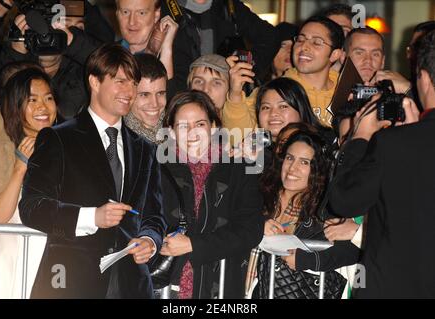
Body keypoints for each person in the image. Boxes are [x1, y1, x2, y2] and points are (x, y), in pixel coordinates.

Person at [19, 43, 166, 298]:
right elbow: (32, 207)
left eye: (133, 83)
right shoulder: (58, 139)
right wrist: (90, 217)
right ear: (94, 82)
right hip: (69, 281)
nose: (129, 91)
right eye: (120, 81)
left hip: (131, 285)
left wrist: (150, 241)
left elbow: (154, 215)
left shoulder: (144, 149)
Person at [328, 31, 435, 298]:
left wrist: (361, 137)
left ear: (422, 76)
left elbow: (343, 200)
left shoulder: (393, 144)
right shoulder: (401, 143)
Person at [158, 90, 264, 298]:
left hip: (220, 287)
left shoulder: (237, 168)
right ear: (170, 132)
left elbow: (250, 229)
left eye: (200, 124)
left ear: (214, 127)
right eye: (182, 126)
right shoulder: (158, 169)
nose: (192, 133)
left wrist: (193, 245)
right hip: (164, 285)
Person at [251, 130, 359, 299]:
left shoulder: (326, 207)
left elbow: (352, 251)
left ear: (317, 169)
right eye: (289, 158)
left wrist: (308, 260)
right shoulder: (262, 197)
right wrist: (259, 223)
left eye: (304, 162)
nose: (292, 168)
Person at [0, 68, 57, 298]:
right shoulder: (7, 149)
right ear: (16, 107)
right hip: (15, 260)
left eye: (48, 98)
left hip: (58, 264)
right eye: (32, 100)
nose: (43, 107)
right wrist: (20, 167)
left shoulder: (70, 146)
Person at [161, 0, 281, 97]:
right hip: (179, 98)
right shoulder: (162, 8)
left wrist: (245, 67)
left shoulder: (229, 6)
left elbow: (271, 38)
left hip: (225, 102)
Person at [285, 16, 344, 127]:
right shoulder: (277, 92)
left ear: (334, 54)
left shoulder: (346, 94)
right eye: (300, 40)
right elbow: (250, 137)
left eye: (316, 42)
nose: (304, 47)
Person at [124, 53, 167, 144]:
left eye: (160, 93)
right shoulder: (118, 139)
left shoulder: (179, 128)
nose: (155, 104)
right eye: (144, 95)